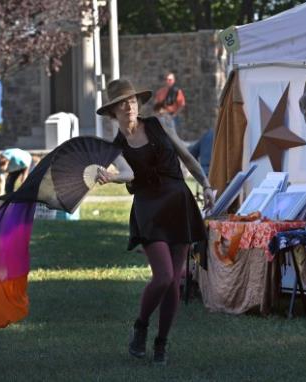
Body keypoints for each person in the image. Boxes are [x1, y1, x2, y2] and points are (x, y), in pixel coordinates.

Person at [95, 78, 214, 366]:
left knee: (174, 283)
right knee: (163, 277)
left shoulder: (159, 125)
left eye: (132, 100)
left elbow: (186, 155)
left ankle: (161, 343)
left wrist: (207, 185)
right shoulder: (117, 146)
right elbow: (127, 174)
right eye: (122, 103)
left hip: (179, 203)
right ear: (113, 112)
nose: (129, 105)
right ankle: (141, 325)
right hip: (149, 209)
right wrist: (110, 176)